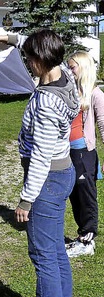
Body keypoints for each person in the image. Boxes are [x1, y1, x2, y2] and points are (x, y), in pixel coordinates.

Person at [0, 30, 79, 297]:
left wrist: (26, 201)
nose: (27, 64)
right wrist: (8, 37)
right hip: (62, 173)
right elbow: (31, 43)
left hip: (47, 181)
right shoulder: (64, 73)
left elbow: (40, 157)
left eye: (29, 60)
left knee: (43, 254)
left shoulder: (49, 102)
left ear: (40, 61)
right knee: (55, 251)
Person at [65, 51, 104, 257]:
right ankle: (82, 236)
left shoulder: (96, 94)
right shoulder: (71, 91)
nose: (70, 71)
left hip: (84, 152)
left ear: (83, 67)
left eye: (73, 67)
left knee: (86, 195)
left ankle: (88, 239)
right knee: (74, 194)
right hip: (67, 151)